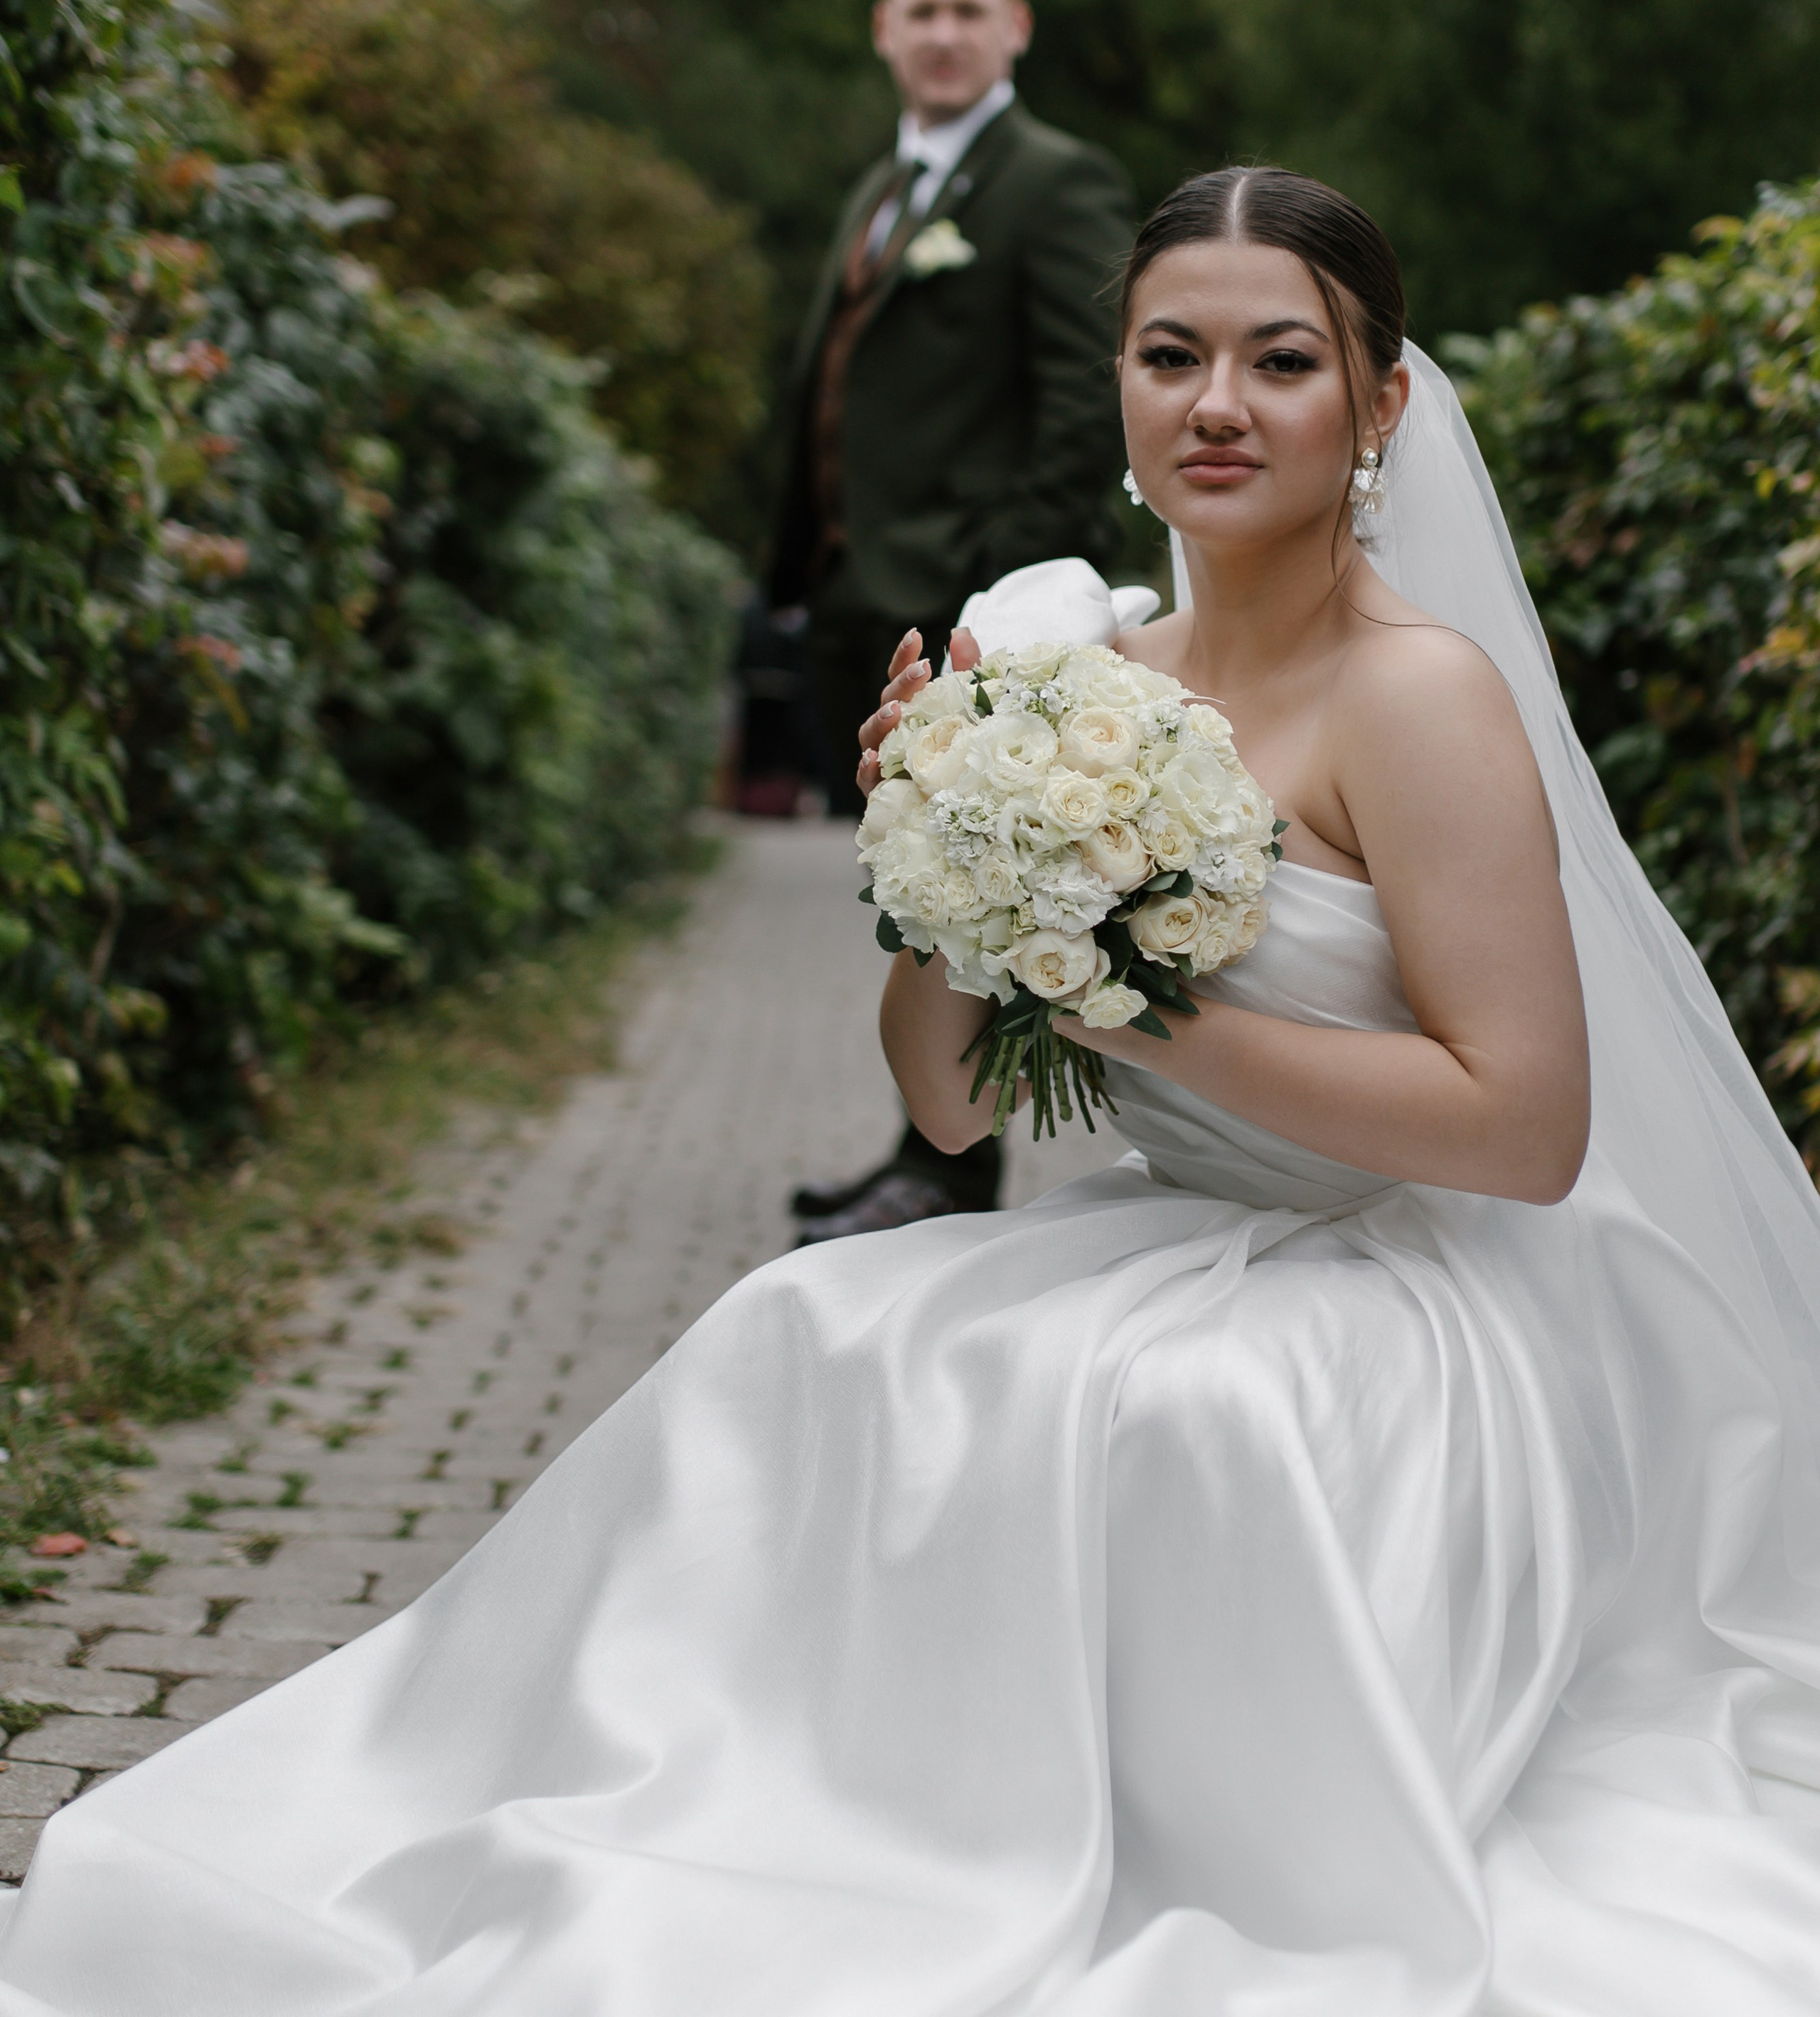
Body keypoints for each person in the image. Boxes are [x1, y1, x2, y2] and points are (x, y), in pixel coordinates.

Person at [8, 168, 1820, 2015]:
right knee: (806, 1329)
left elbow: (1525, 1129)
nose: (1216, 405)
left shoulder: (1416, 699)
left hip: (1411, 1294)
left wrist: (1131, 1015)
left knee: (1201, 1419)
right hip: (1163, 1235)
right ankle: (786, 1839)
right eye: (1169, 353)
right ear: (1115, 384)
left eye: (1282, 361)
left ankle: (1141, 1866)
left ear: (1377, 408)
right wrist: (945, 847)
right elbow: (949, 1111)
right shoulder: (1074, 673)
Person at [771, 0, 1132, 1236]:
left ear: (1015, 29)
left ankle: (950, 1170)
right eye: (918, 10)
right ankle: (923, 1147)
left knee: (969, 880)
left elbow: (1081, 408)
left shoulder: (1054, 179)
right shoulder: (886, 188)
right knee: (913, 880)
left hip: (970, 606)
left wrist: (999, 592)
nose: (941, 33)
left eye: (968, 11)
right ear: (883, 29)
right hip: (860, 591)